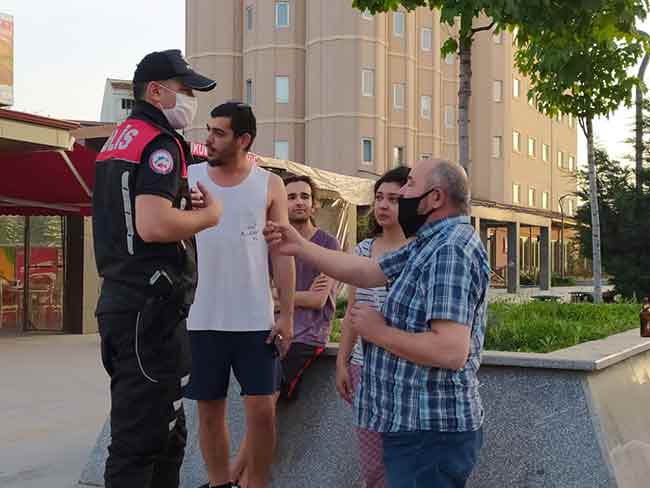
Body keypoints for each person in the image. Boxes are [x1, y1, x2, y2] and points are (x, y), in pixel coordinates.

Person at [265, 158, 490, 488]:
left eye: (409, 186)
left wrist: (378, 332)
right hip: (411, 425)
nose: (401, 195)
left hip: (430, 430)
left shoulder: (450, 250)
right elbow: (366, 271)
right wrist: (298, 245)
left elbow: (451, 350)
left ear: (436, 198)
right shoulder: (427, 243)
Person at [92, 49, 219, 488]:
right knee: (142, 441)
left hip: (129, 304)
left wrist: (182, 201)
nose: (190, 99)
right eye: (185, 90)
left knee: (168, 434)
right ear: (156, 90)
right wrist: (207, 217)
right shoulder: (159, 142)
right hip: (150, 309)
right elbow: (153, 223)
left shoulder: (121, 138)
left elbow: (135, 212)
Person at [186, 101, 295, 488]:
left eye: (219, 133)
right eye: (209, 130)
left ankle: (258, 483)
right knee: (209, 412)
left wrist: (287, 315)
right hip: (203, 317)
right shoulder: (190, 177)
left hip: (255, 319)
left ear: (243, 139)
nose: (209, 139)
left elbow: (283, 251)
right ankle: (220, 484)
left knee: (263, 412)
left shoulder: (269, 184)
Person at [336, 166, 410, 488]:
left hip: (406, 371)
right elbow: (353, 308)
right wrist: (342, 360)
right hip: (363, 370)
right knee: (372, 467)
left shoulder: (420, 251)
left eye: (393, 199)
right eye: (379, 197)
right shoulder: (364, 250)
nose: (383, 205)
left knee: (405, 461)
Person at [278, 174, 340, 401]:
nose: (299, 202)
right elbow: (260, 295)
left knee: (271, 393)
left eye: (305, 196)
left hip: (308, 336)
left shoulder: (328, 244)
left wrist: (279, 296)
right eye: (291, 197)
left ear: (314, 205)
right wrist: (297, 296)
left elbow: (317, 300)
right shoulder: (274, 243)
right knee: (258, 396)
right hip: (276, 330)